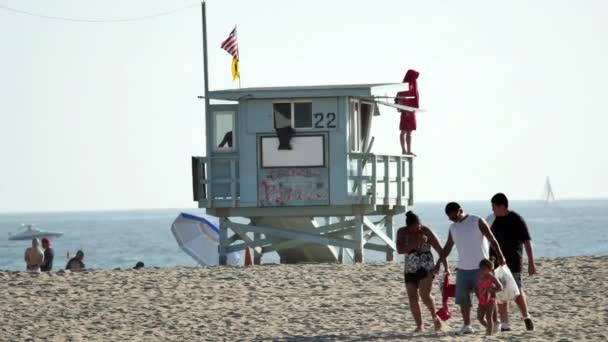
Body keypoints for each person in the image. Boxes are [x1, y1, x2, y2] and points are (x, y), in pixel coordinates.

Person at [434, 202, 506, 335]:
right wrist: (438, 262)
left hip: (482, 268)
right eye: (450, 218)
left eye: (454, 217)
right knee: (462, 299)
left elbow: (492, 239)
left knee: (486, 298)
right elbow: (448, 247)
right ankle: (467, 325)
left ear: (460, 210)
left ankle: (496, 322)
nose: (454, 220)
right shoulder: (453, 228)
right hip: (462, 268)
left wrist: (501, 256)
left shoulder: (477, 221)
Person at [487, 193, 536, 331]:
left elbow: (527, 241)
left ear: (502, 206)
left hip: (513, 260)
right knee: (500, 291)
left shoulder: (516, 219)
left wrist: (531, 262)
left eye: (494, 207)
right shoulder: (493, 220)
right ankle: (505, 323)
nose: (492, 210)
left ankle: (526, 316)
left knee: (517, 290)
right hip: (495, 262)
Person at [396, 211, 449, 332]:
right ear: (409, 226)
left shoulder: (426, 231)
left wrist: (445, 267)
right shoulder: (402, 232)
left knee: (424, 295)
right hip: (410, 269)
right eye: (415, 226)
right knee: (412, 298)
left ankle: (435, 318)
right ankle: (420, 325)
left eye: (419, 225)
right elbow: (400, 250)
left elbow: (440, 249)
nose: (418, 228)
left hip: (426, 268)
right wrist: (416, 243)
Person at [395, 69, 420, 156]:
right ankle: (404, 150)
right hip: (406, 110)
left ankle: (408, 151)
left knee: (409, 132)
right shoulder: (405, 85)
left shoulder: (413, 84)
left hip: (411, 110)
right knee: (404, 131)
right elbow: (401, 97)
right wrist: (404, 109)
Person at [477, 258, 503, 336]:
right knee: (480, 318)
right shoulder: (480, 276)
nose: (482, 271)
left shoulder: (492, 277)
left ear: (490, 269)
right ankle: (489, 328)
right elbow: (479, 286)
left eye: (484, 269)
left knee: (489, 317)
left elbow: (500, 287)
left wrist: (492, 289)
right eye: (481, 269)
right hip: (482, 299)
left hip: (491, 299)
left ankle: (489, 334)